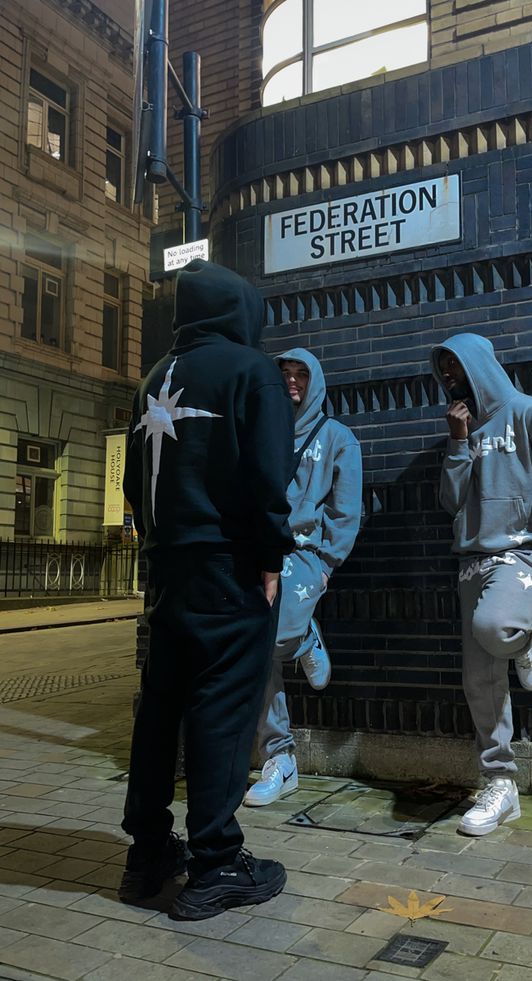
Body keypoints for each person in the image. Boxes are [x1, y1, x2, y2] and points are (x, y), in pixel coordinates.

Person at [119, 259, 295, 920]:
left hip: (166, 567)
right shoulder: (251, 371)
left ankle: (147, 853)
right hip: (229, 567)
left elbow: (136, 485)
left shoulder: (152, 380)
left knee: (160, 710)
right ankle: (217, 862)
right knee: (222, 706)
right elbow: (267, 474)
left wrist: (157, 549)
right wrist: (271, 557)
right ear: (240, 309)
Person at [431, 333, 532, 836]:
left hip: (520, 555)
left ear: (478, 364)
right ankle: (501, 785)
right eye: (442, 368)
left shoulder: (529, 414)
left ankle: (525, 633)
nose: (449, 374)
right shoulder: (461, 426)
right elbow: (451, 501)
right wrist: (456, 442)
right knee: (480, 683)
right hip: (472, 561)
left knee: (495, 626)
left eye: (455, 364)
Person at [245, 348, 362, 806]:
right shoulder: (260, 429)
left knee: (279, 634)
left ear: (315, 381)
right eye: (285, 374)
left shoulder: (337, 437)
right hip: (259, 552)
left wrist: (329, 563)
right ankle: (280, 757)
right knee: (257, 652)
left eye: (301, 374)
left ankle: (306, 637)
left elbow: (346, 509)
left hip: (305, 553)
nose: (292, 381)